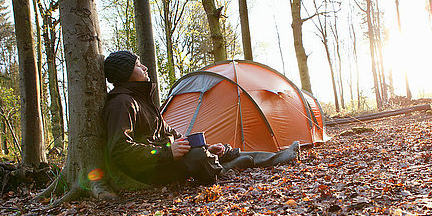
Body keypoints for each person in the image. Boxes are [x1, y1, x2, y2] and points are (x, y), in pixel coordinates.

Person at [103, 50, 299, 187]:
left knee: (216, 148)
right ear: (125, 73)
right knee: (199, 156)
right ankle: (222, 168)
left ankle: (278, 156)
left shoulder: (142, 101)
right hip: (152, 170)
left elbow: (170, 133)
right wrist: (165, 152)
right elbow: (120, 150)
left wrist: (204, 146)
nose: (145, 68)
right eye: (138, 65)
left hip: (165, 160)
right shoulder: (122, 104)